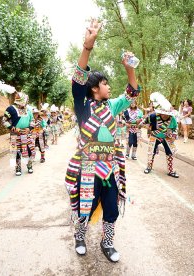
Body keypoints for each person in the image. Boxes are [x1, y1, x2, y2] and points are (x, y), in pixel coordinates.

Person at [64, 19, 140, 262]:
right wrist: (87, 47)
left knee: (111, 207)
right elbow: (77, 81)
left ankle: (107, 243)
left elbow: (132, 92)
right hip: (87, 167)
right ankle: (80, 235)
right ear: (95, 88)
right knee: (85, 205)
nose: (109, 86)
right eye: (105, 83)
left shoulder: (113, 106)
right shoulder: (82, 107)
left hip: (110, 168)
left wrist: (130, 68)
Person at [143, 93, 179, 178]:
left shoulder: (172, 119)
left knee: (170, 152)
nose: (164, 115)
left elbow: (175, 128)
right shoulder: (153, 116)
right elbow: (144, 122)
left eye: (166, 114)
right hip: (154, 136)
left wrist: (173, 136)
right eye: (162, 113)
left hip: (167, 137)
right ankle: (149, 167)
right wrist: (147, 127)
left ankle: (170, 170)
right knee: (151, 152)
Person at [2, 92, 35, 175]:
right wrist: (11, 127)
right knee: (16, 151)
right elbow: (4, 120)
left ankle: (29, 165)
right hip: (15, 134)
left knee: (29, 150)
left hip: (26, 134)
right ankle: (18, 168)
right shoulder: (11, 109)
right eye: (25, 100)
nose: (26, 102)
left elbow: (32, 121)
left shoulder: (28, 110)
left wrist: (29, 128)